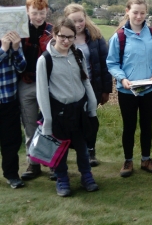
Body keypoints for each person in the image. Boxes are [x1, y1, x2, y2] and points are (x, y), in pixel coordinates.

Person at [36, 17, 99, 197]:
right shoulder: (45, 60)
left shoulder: (78, 55)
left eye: (70, 37)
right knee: (60, 149)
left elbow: (86, 82)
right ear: (54, 34)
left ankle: (86, 175)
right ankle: (62, 178)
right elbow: (41, 92)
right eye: (62, 36)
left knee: (82, 147)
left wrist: (92, 107)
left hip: (79, 111)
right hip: (59, 113)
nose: (65, 41)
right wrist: (47, 120)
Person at [107, 0, 152, 178]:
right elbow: (112, 62)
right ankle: (128, 161)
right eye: (135, 12)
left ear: (146, 13)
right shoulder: (119, 37)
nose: (139, 16)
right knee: (129, 126)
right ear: (127, 12)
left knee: (147, 125)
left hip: (148, 89)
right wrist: (122, 79)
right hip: (127, 90)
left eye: (142, 13)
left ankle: (146, 159)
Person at [64, 3, 112, 166]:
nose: (78, 24)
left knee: (91, 120)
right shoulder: (62, 38)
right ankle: (73, 152)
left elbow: (105, 65)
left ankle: (90, 151)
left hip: (92, 87)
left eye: (80, 20)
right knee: (72, 122)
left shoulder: (96, 37)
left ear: (85, 18)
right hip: (70, 89)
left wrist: (106, 90)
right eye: (73, 21)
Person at [19, 0, 53, 181]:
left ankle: (53, 163)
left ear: (46, 11)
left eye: (42, 13)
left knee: (50, 123)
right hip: (26, 82)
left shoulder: (52, 31)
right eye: (34, 13)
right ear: (27, 11)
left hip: (48, 84)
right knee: (29, 124)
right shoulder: (19, 31)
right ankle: (33, 163)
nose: (38, 17)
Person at [0, 31, 27, 189]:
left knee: (11, 140)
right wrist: (3, 50)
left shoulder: (12, 38)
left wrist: (16, 49)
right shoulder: (5, 44)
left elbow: (22, 68)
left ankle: (11, 174)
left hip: (9, 100)